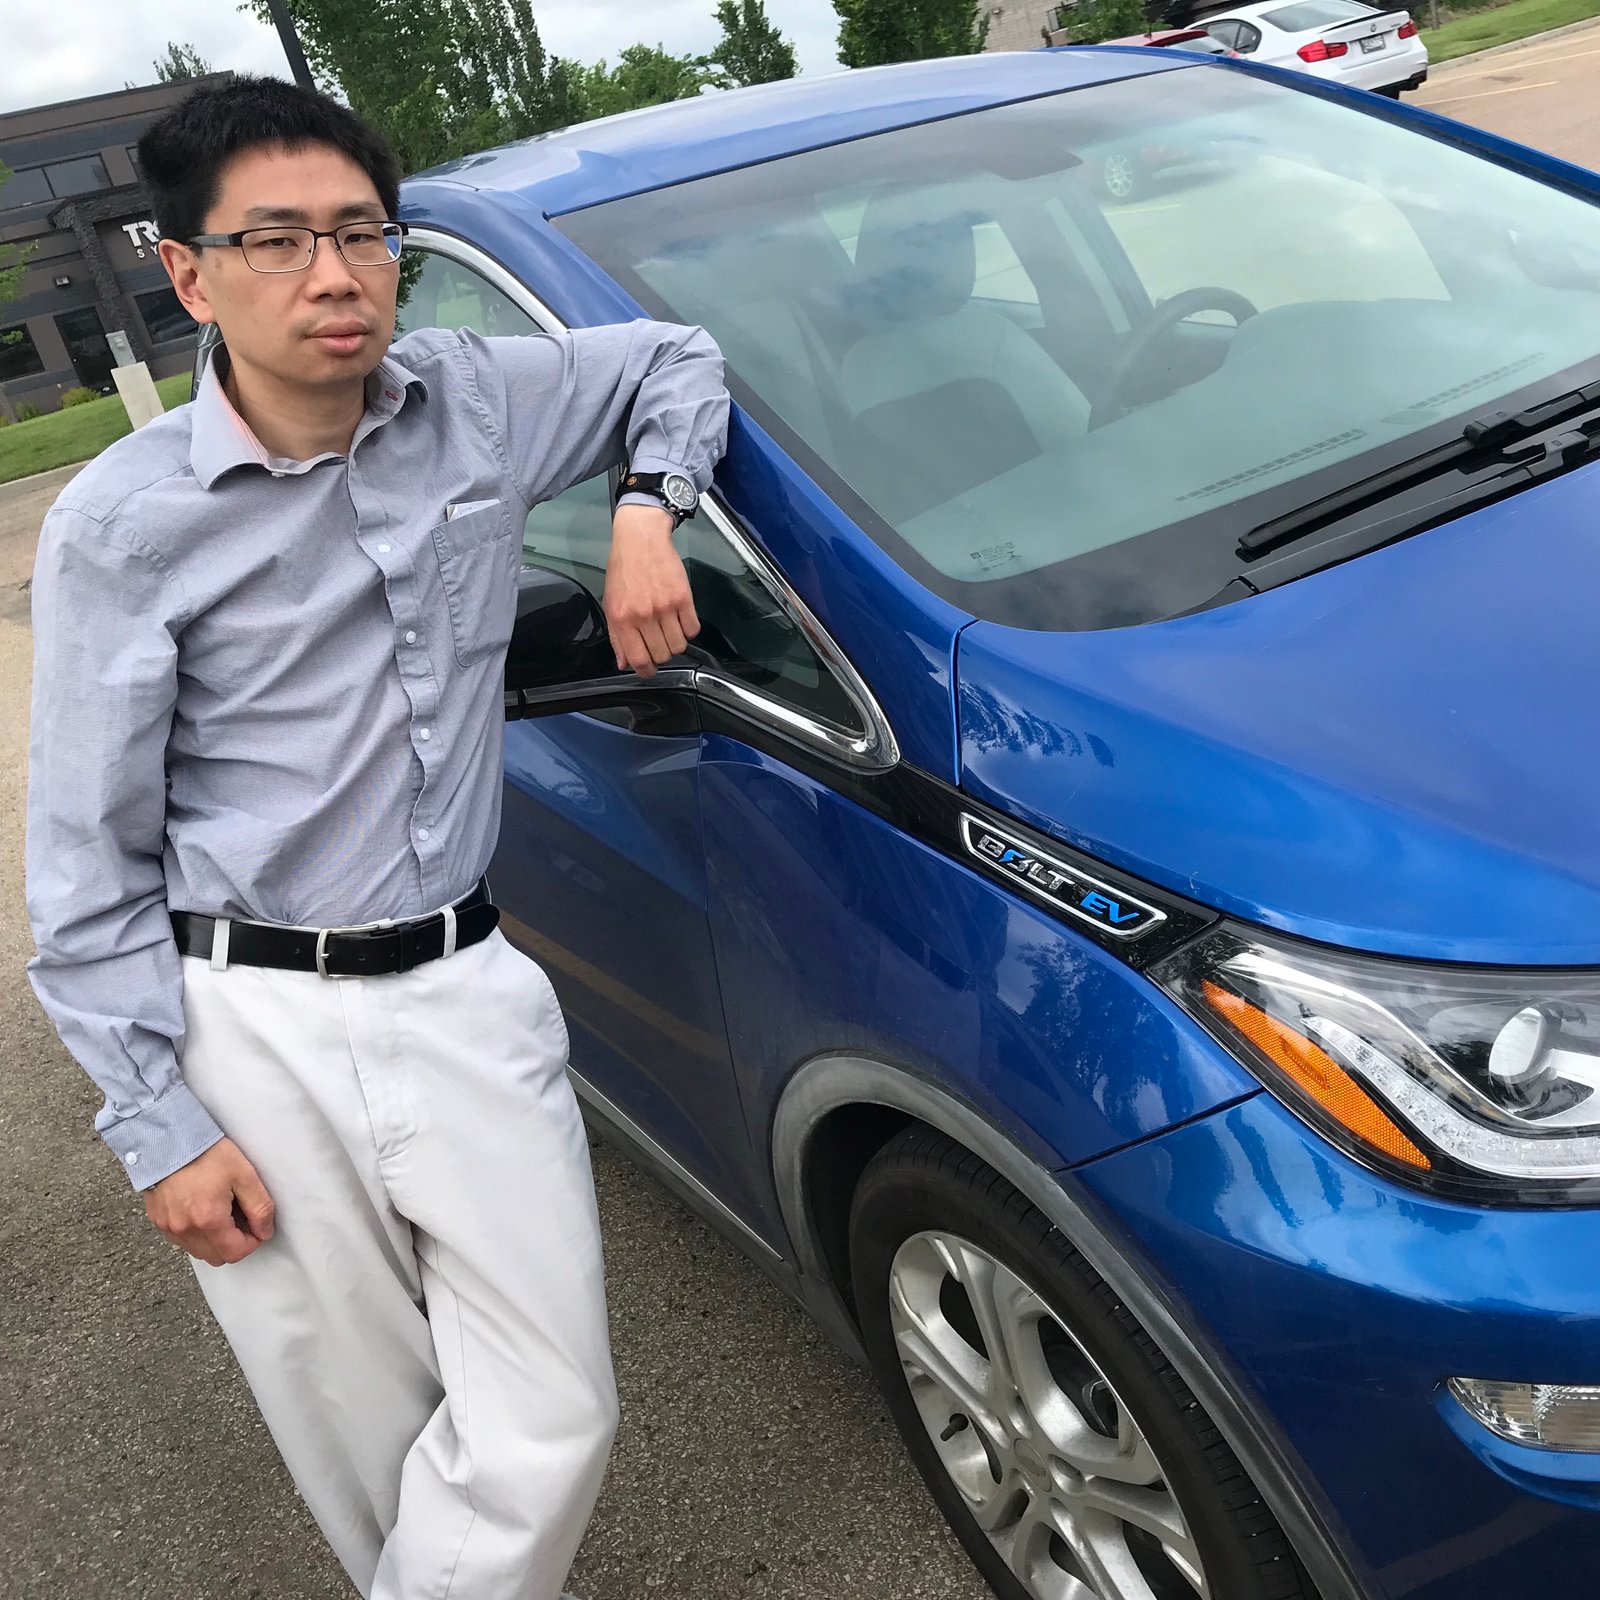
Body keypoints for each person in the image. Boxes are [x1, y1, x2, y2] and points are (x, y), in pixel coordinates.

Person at [24, 76, 728, 1600]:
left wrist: (644, 510)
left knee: (552, 1407)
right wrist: (157, 1117)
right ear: (187, 269)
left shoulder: (474, 401)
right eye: (275, 242)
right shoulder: (122, 525)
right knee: (361, 1432)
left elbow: (676, 357)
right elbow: (82, 863)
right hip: (248, 1018)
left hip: (465, 981)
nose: (334, 278)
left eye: (362, 233)